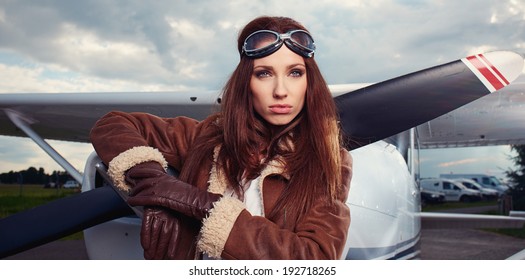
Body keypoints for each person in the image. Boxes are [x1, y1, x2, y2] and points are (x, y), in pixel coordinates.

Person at [90, 15, 352, 260]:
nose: (281, 90)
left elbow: (314, 259)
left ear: (310, 82)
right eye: (264, 73)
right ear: (245, 84)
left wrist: (200, 205)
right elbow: (113, 125)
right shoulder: (207, 137)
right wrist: (155, 185)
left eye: (295, 72)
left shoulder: (329, 158)